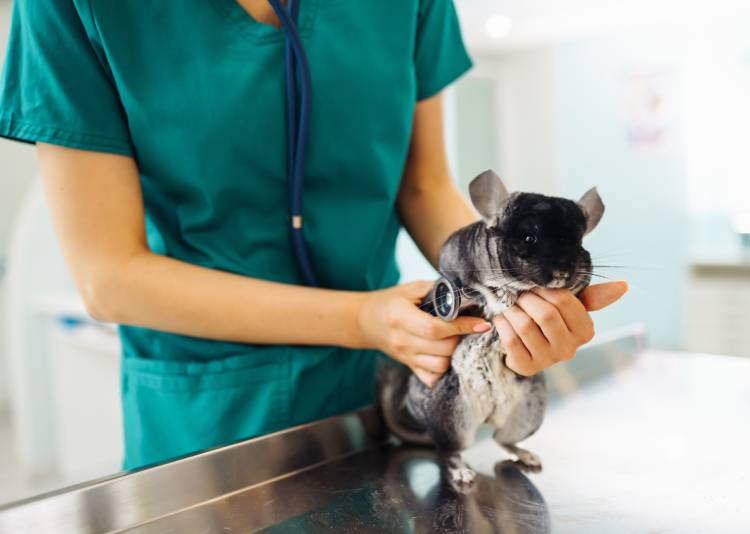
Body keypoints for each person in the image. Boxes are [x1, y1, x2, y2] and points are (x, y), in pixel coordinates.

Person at [0, 0, 626, 470]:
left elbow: (422, 186)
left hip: (379, 396)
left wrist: (509, 297)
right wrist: (359, 319)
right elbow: (110, 278)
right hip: (206, 421)